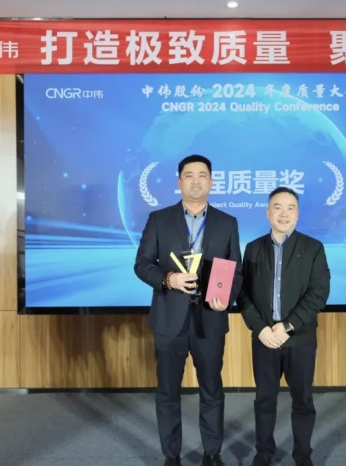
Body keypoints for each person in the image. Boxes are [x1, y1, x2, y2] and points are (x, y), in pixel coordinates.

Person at [135, 154, 243, 466]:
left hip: (210, 318)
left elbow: (235, 271)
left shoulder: (227, 222)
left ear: (211, 181)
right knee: (168, 391)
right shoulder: (159, 219)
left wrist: (227, 297)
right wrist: (168, 279)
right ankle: (172, 455)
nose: (196, 181)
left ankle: (212, 453)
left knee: (212, 389)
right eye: (189, 175)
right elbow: (142, 264)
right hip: (169, 319)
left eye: (202, 175)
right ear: (179, 181)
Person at [238, 187, 331, 466]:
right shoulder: (253, 248)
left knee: (302, 400)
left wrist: (288, 326)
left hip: (299, 339)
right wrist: (260, 329)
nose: (284, 213)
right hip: (265, 339)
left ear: (298, 214)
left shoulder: (313, 248)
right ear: (268, 212)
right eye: (277, 207)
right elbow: (243, 294)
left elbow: (319, 293)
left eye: (290, 208)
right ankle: (263, 454)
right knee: (264, 400)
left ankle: (302, 456)